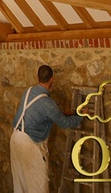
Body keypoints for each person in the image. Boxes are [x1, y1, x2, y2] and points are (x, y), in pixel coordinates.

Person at [10, 64, 82, 193]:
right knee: (38, 188)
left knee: (20, 186)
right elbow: (64, 123)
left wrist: (72, 112)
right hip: (30, 145)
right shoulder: (49, 104)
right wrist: (81, 116)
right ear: (51, 79)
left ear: (37, 77)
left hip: (16, 139)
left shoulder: (28, 92)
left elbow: (48, 113)